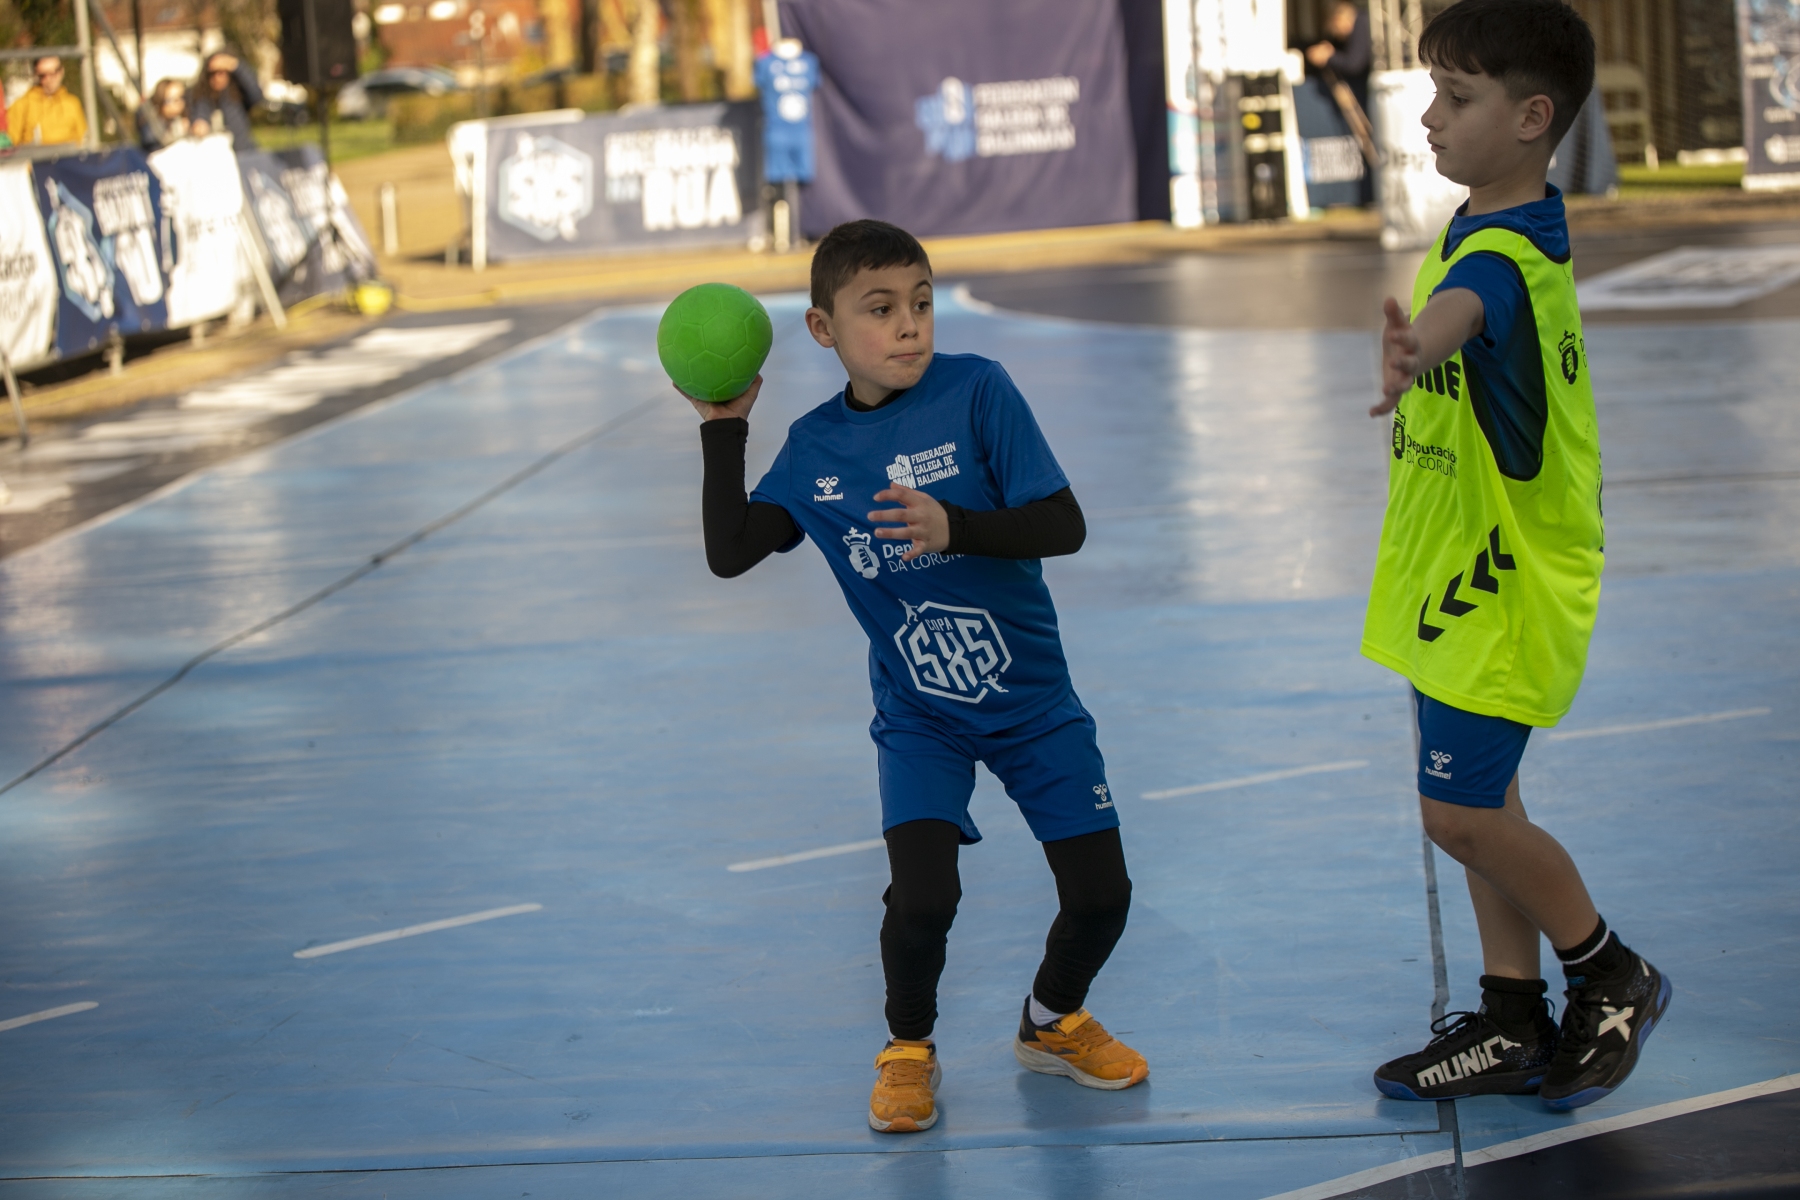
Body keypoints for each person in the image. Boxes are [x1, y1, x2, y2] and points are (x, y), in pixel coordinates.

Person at [687, 219, 1147, 1134]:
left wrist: (955, 527)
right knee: (925, 897)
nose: (909, 325)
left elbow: (1063, 524)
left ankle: (1051, 1020)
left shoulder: (978, 391)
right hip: (920, 717)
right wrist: (725, 428)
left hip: (1033, 703)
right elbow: (731, 551)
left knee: (1103, 897)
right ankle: (908, 1048)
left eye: (922, 303)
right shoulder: (815, 450)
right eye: (881, 309)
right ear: (823, 329)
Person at [1363, 0, 1670, 1112]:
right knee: (1483, 798)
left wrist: (1417, 348)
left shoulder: (1496, 259)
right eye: (1432, 92)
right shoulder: (1501, 223)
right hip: (1460, 575)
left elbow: (1465, 309)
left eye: (1457, 97)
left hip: (1499, 584)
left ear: (1533, 117)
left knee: (1458, 814)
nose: (1429, 117)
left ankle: (1609, 971)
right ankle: (1509, 1016)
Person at [188, 52, 263, 152]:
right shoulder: (202, 98)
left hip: (244, 153)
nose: (217, 78)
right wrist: (199, 124)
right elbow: (201, 114)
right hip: (217, 155)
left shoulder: (236, 96)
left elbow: (256, 94)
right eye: (212, 73)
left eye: (221, 72)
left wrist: (235, 65)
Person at [1305, 0, 1372, 113]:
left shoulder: (1361, 22)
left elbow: (1354, 64)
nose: (1335, 33)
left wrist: (1329, 56)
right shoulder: (1363, 22)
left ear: (1338, 19)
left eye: (1334, 27)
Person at [8, 56, 88, 147]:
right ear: (36, 76)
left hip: (69, 155)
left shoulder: (72, 103)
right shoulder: (22, 105)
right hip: (36, 155)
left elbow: (83, 139)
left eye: (54, 72)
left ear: (62, 71)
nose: (50, 79)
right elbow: (10, 143)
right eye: (43, 75)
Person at [138, 78, 209, 152]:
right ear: (162, 100)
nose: (181, 103)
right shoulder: (149, 120)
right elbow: (155, 144)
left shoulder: (180, 117)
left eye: (182, 97)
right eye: (175, 100)